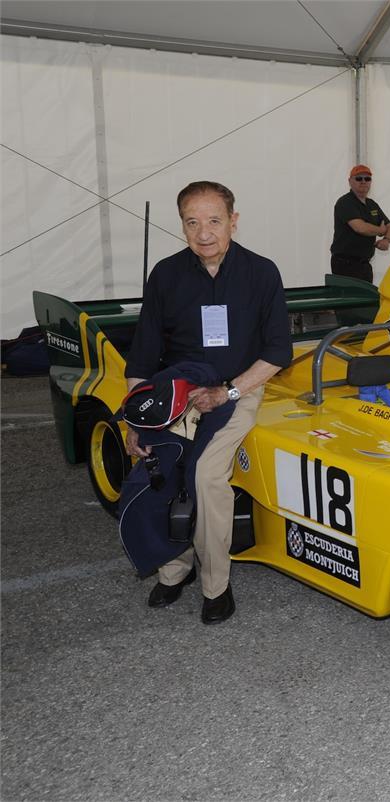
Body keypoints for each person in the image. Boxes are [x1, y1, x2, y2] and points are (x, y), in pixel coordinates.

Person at [124, 180, 291, 624]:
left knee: (204, 475)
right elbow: (141, 355)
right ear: (181, 225)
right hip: (176, 394)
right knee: (160, 468)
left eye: (214, 221)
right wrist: (136, 422)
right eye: (192, 222)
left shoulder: (262, 273)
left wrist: (229, 391)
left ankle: (216, 585)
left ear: (233, 221)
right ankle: (174, 569)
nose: (204, 233)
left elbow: (277, 352)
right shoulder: (166, 274)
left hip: (239, 389)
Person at [330, 164, 390, 283]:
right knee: (350, 301)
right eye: (359, 178)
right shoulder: (345, 202)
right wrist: (380, 230)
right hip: (345, 264)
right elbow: (360, 228)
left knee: (366, 300)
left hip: (364, 264)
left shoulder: (372, 204)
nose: (363, 181)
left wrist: (387, 239)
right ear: (350, 181)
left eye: (367, 178)